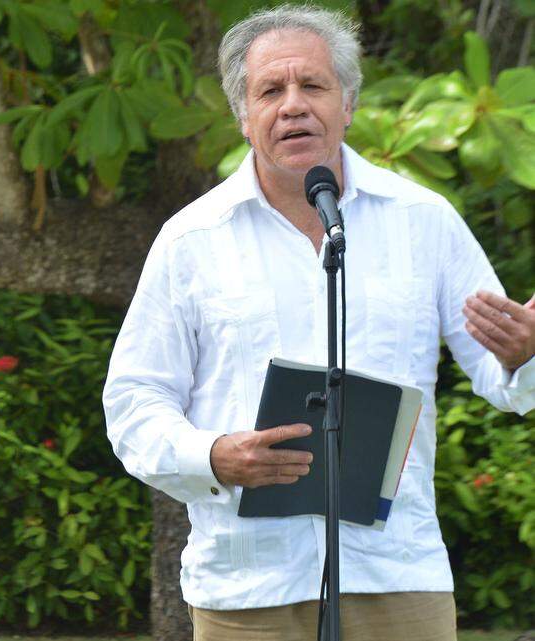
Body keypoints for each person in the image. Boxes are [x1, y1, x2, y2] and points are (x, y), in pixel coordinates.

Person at [103, 5, 534, 640]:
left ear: (349, 103)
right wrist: (213, 456)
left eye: (314, 85)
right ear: (243, 118)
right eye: (271, 91)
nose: (294, 105)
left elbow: (508, 384)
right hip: (249, 583)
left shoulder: (425, 220)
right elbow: (134, 400)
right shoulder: (190, 240)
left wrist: (523, 355)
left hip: (394, 575)